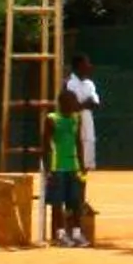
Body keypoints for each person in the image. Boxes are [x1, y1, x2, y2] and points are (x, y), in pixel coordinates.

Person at [63, 54, 102, 245]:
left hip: (89, 134)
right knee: (73, 172)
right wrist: (82, 104)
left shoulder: (90, 85)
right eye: (87, 63)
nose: (90, 66)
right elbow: (73, 106)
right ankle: (71, 208)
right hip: (74, 133)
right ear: (78, 66)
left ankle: (81, 201)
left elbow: (95, 103)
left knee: (84, 171)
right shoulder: (70, 84)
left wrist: (82, 104)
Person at [40, 99, 88, 247]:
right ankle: (60, 235)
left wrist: (82, 164)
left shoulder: (75, 119)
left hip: (73, 166)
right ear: (63, 104)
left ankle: (76, 234)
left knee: (75, 202)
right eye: (71, 103)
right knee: (57, 203)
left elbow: (78, 142)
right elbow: (45, 145)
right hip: (57, 167)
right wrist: (47, 168)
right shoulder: (51, 119)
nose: (74, 106)